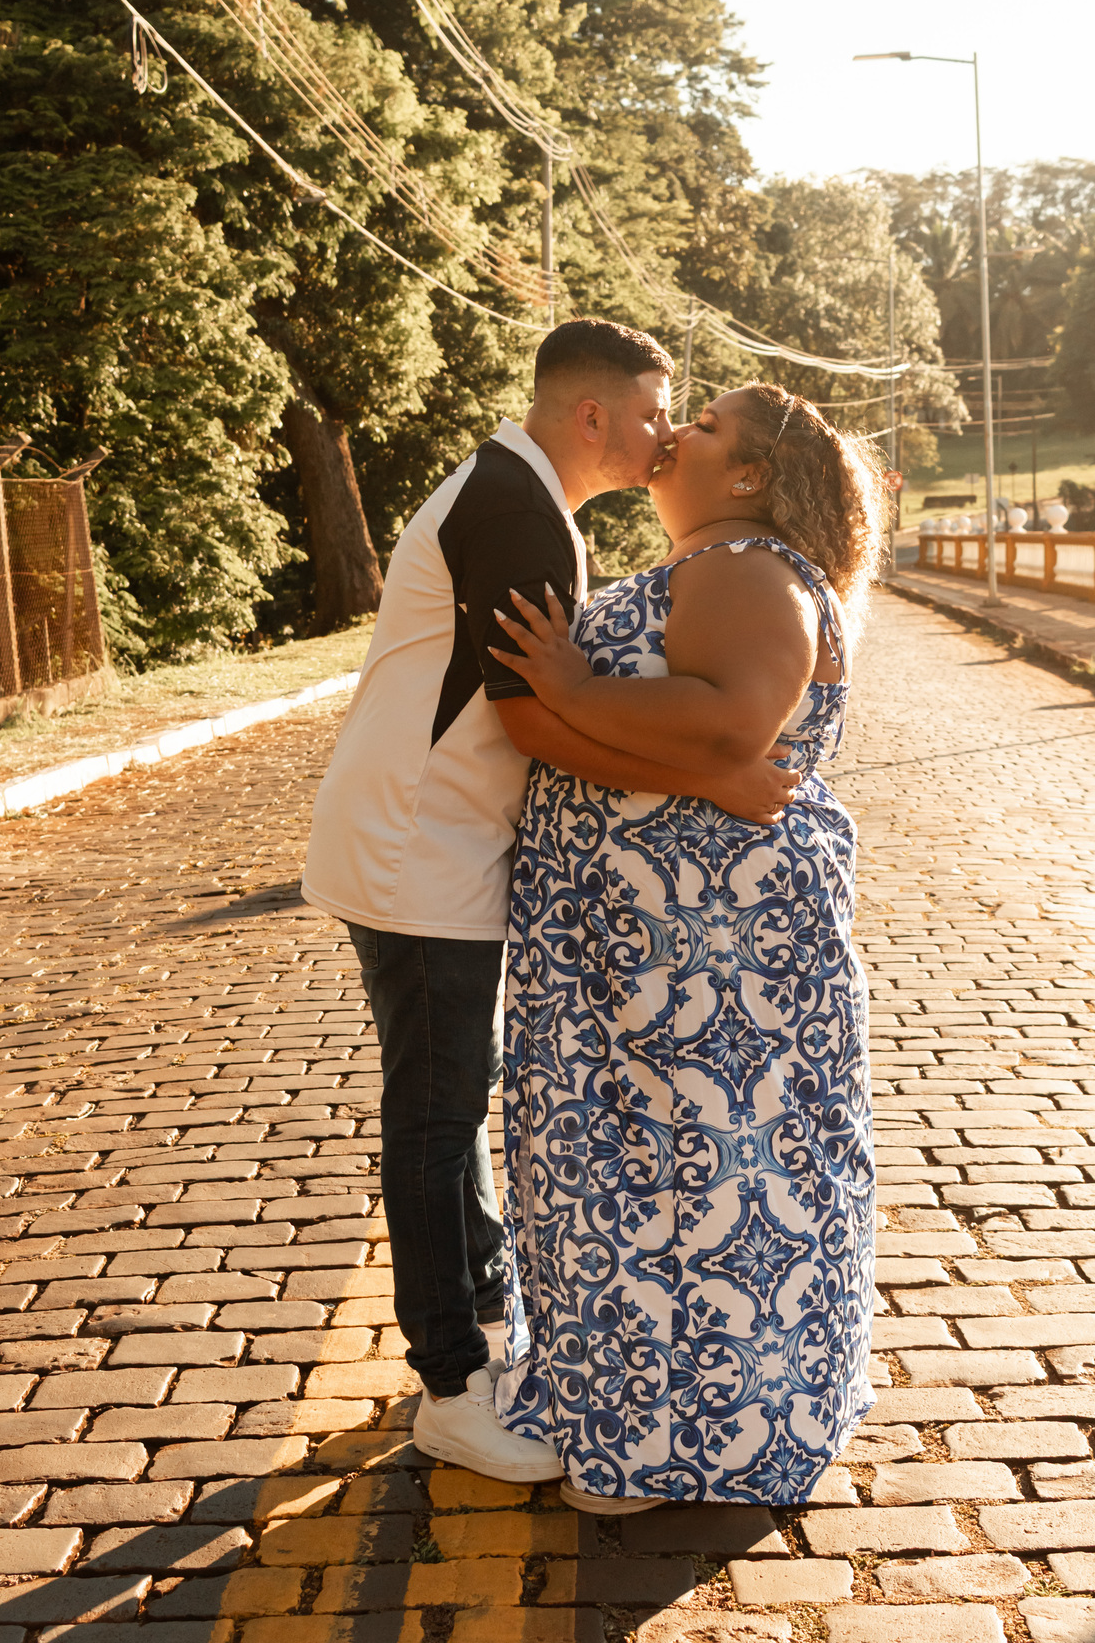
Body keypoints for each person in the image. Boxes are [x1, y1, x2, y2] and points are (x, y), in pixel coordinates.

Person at [301, 323, 800, 1483]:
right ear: (595, 416)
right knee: (434, 1112)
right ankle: (449, 1385)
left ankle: (481, 1325)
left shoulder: (524, 497)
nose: (667, 430)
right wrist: (715, 773)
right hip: (417, 848)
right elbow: (535, 718)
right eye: (656, 406)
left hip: (444, 844)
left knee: (456, 1099)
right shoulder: (520, 512)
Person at [487, 381, 883, 1509]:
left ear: (752, 475)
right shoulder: (707, 568)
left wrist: (567, 685)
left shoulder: (743, 566)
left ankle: (679, 1444)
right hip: (651, 939)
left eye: (705, 427)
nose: (677, 435)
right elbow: (704, 754)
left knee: (694, 1170)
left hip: (705, 953)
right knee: (642, 1164)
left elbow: (727, 722)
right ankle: (647, 1416)